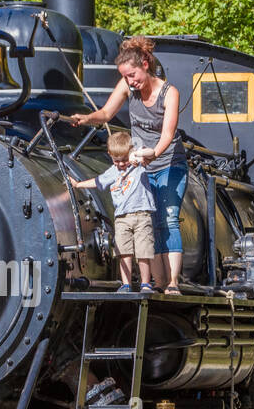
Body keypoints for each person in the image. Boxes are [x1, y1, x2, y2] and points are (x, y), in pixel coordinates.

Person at [71, 36, 187, 293]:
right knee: (149, 220)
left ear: (145, 64)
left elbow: (168, 134)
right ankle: (156, 282)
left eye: (133, 75)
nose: (130, 82)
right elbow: (105, 113)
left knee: (168, 219)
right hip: (140, 166)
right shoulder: (127, 86)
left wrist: (154, 153)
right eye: (125, 77)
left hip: (169, 163)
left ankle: (173, 282)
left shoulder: (170, 93)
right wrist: (86, 118)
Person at [73, 131, 156, 293]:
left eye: (124, 160)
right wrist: (78, 185)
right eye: (116, 160)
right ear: (110, 156)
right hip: (121, 217)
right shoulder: (113, 170)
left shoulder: (138, 164)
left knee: (143, 251)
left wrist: (136, 154)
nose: (121, 164)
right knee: (123, 251)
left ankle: (146, 283)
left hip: (141, 215)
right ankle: (126, 284)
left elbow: (151, 153)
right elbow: (98, 182)